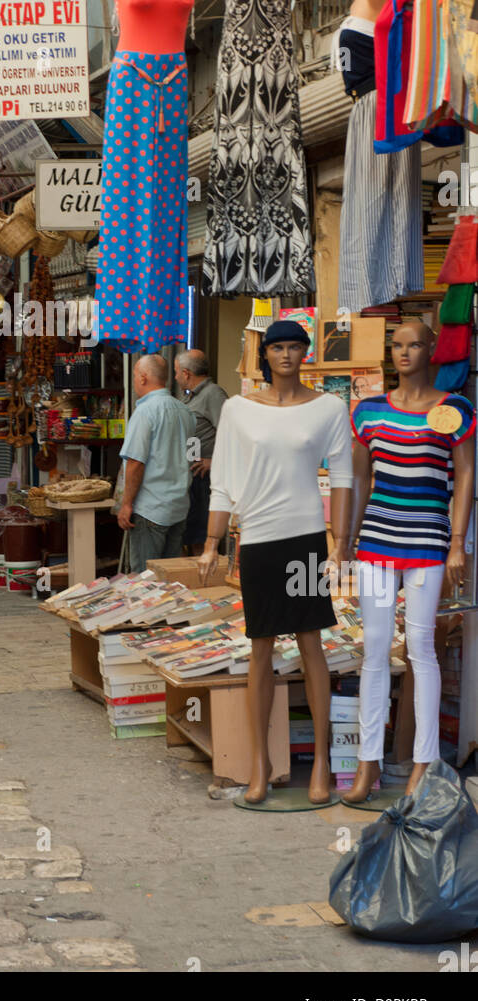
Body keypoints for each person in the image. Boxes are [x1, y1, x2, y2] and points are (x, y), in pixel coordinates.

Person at [198, 320, 352, 805]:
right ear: (264, 355)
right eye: (278, 347)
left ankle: (322, 765)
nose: (286, 355)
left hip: (306, 537)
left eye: (294, 347)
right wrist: (210, 541)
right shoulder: (238, 409)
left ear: (306, 353)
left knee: (312, 643)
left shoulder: (329, 408)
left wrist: (341, 541)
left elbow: (344, 475)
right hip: (259, 539)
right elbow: (221, 479)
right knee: (260, 647)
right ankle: (260, 766)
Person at [343, 321, 474, 804]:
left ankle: (423, 764)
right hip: (377, 543)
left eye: (414, 344)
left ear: (432, 349)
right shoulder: (369, 410)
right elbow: (358, 479)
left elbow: (464, 475)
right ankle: (367, 763)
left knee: (421, 648)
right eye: (396, 345)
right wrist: (347, 540)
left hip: (427, 545)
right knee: (374, 650)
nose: (404, 353)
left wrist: (457, 542)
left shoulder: (451, 409)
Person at [117, 354, 195, 572]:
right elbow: (192, 452)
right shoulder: (186, 412)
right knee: (168, 582)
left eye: (134, 376)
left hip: (150, 508)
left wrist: (126, 504)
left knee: (145, 581)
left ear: (143, 378)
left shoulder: (144, 412)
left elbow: (135, 462)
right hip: (178, 506)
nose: (134, 381)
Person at [174, 349, 228, 556]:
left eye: (177, 372)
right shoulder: (193, 397)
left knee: (200, 537)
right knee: (191, 535)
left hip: (205, 479)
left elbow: (232, 432)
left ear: (187, 373)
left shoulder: (213, 394)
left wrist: (213, 461)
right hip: (192, 476)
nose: (176, 377)